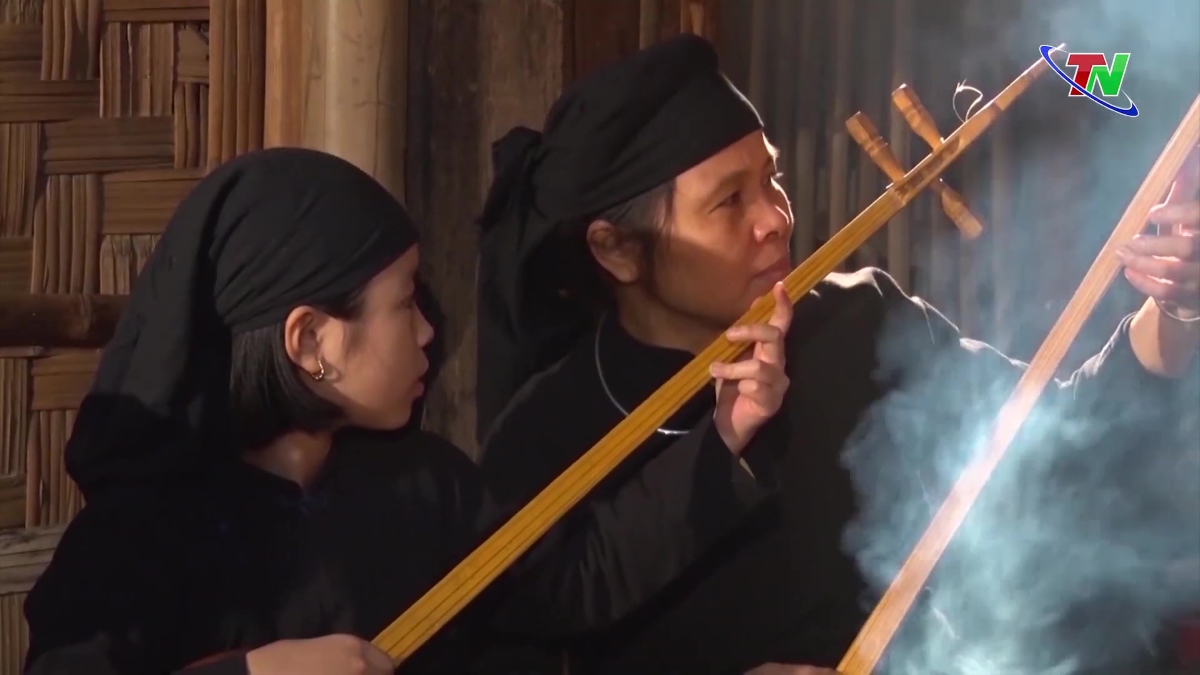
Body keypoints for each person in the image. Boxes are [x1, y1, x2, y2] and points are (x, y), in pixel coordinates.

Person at [474, 34, 1200, 675]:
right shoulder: (549, 431)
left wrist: (1175, 306)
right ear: (616, 251)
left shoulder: (855, 320)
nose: (775, 218)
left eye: (771, 178)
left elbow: (1060, 430)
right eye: (729, 202)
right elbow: (526, 633)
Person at [21, 148, 796, 674]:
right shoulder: (137, 540)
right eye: (403, 303)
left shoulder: (424, 486)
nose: (429, 329)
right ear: (310, 340)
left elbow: (578, 578)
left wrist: (725, 431)